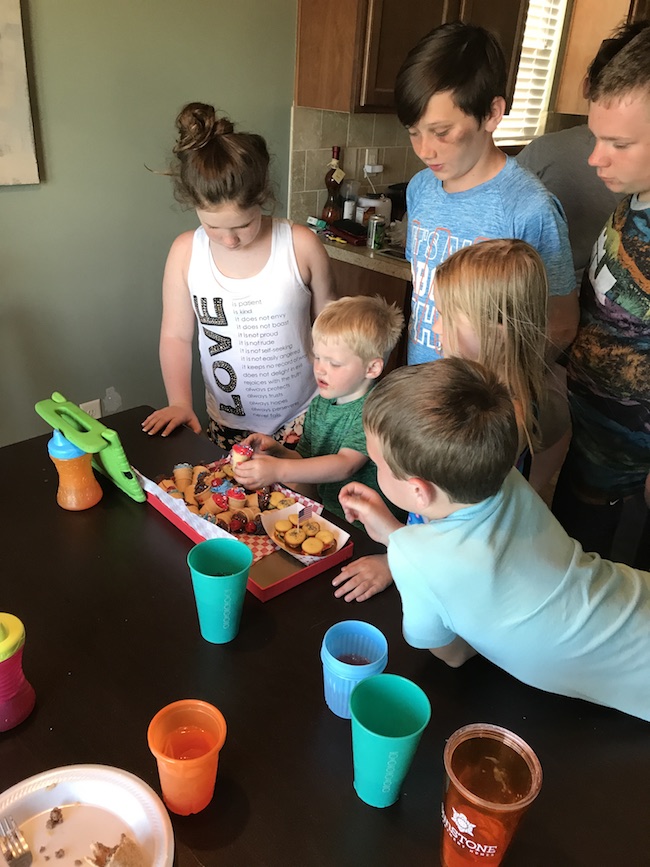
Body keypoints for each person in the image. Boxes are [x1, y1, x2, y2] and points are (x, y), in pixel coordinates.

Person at [338, 359, 650, 722]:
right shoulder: (502, 477)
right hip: (630, 597)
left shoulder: (412, 556)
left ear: (418, 492)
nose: (376, 470)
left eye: (379, 463)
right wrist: (396, 535)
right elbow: (454, 561)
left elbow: (455, 654)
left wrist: (400, 544)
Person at [333, 238, 547, 601]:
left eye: (446, 315)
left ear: (495, 328)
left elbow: (453, 534)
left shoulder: (496, 420)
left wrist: (393, 559)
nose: (435, 328)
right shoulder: (503, 392)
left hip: (448, 580)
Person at [142, 102, 336, 450]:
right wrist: (180, 402)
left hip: (303, 418)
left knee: (300, 502)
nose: (230, 239)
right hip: (227, 424)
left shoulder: (301, 246)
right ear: (194, 206)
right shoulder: (185, 254)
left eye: (244, 225)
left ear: (262, 197)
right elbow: (175, 336)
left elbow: (333, 329)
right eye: (213, 226)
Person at [394, 22, 577, 366]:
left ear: (492, 113)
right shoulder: (420, 188)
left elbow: (562, 324)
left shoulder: (530, 209)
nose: (425, 150)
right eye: (414, 132)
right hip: (426, 396)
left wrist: (496, 387)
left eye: (441, 132)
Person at [552, 22, 650, 569]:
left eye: (619, 143)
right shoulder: (633, 202)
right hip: (589, 452)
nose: (596, 158)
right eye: (597, 137)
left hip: (637, 485)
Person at [233, 295, 404, 523]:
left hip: (365, 525)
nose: (321, 369)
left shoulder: (376, 409)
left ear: (372, 368)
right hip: (326, 510)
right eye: (318, 357)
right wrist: (278, 452)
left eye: (334, 363)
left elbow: (345, 465)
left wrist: (279, 469)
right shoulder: (321, 402)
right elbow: (306, 459)